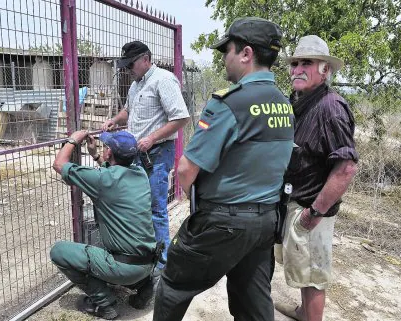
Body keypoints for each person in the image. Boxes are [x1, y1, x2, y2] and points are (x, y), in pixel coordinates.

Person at [153, 17, 294, 321]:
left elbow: (186, 169)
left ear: (245, 53)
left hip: (224, 220)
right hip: (266, 221)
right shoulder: (284, 103)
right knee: (253, 300)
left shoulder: (230, 103)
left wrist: (204, 211)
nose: (224, 58)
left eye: (226, 50)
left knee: (172, 286)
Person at [273, 35, 359, 321]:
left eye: (307, 63)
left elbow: (345, 168)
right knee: (302, 268)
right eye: (295, 63)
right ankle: (302, 313)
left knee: (312, 278)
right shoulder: (299, 101)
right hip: (295, 201)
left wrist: (315, 212)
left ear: (325, 70)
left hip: (311, 209)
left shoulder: (330, 107)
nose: (298, 68)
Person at [50, 130, 158, 320]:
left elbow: (59, 164)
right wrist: (96, 156)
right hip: (148, 262)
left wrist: (73, 139)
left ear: (110, 153)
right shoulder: (140, 174)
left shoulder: (102, 180)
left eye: (106, 147)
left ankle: (104, 303)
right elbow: (112, 177)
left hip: (123, 268)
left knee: (59, 251)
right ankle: (144, 286)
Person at [102, 41, 189, 271]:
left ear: (145, 59)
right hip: (138, 154)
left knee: (156, 209)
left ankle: (163, 267)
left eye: (130, 64)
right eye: (126, 65)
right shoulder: (136, 84)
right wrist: (116, 120)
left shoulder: (164, 80)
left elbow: (180, 118)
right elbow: (128, 111)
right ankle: (144, 257)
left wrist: (151, 138)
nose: (128, 69)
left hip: (157, 154)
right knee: (138, 206)